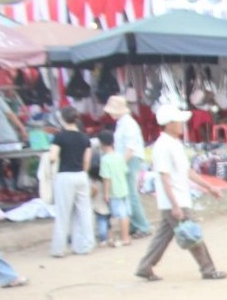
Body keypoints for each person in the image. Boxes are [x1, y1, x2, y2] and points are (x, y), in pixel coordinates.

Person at [135, 104, 227, 282]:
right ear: (169, 123)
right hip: (175, 199)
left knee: (164, 236)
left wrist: (209, 187)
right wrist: (175, 205)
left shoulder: (173, 144)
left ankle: (145, 266)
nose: (181, 125)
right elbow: (164, 177)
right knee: (192, 234)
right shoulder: (163, 146)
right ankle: (208, 269)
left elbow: (187, 171)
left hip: (176, 199)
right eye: (178, 121)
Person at [103, 95, 151, 238]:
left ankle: (143, 226)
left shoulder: (128, 124)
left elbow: (130, 148)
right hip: (126, 159)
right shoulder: (122, 123)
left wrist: (120, 164)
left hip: (130, 159)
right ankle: (134, 225)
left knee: (130, 193)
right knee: (127, 193)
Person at [49, 106, 94, 258]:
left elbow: (53, 157)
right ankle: (85, 245)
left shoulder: (59, 137)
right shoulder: (84, 138)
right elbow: (87, 162)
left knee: (63, 213)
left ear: (62, 119)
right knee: (84, 212)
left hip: (65, 175)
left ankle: (59, 248)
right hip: (81, 175)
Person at [97, 129, 131, 247]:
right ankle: (125, 236)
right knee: (125, 214)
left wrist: (106, 193)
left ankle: (123, 238)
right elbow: (124, 171)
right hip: (123, 188)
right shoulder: (119, 157)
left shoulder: (105, 159)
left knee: (119, 215)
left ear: (101, 143)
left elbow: (107, 178)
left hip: (114, 191)